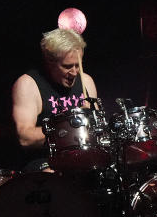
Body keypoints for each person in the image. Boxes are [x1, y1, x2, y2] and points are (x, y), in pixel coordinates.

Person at [11, 28, 99, 171]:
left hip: (82, 156)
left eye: (78, 65)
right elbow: (24, 138)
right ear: (49, 61)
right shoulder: (28, 84)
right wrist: (68, 131)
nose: (75, 72)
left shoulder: (86, 81)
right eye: (67, 66)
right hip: (45, 160)